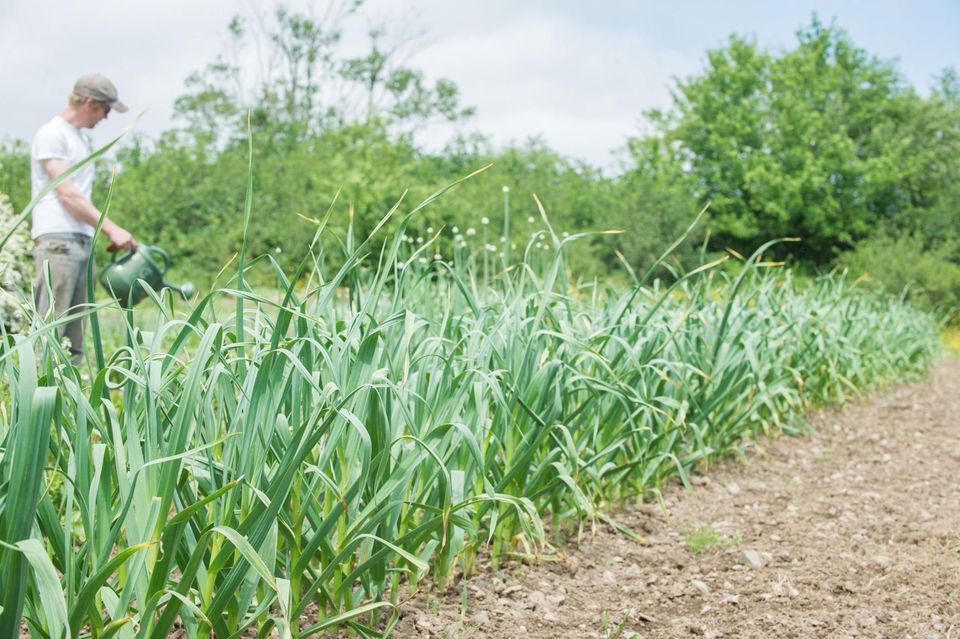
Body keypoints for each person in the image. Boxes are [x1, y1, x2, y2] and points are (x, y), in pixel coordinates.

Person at [30, 73, 137, 364]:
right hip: (59, 243)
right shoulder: (52, 134)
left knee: (73, 341)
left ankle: (68, 405)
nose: (105, 117)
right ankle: (36, 406)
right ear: (89, 102)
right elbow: (67, 194)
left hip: (80, 241)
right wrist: (111, 228)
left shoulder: (78, 139)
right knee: (50, 336)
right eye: (105, 109)